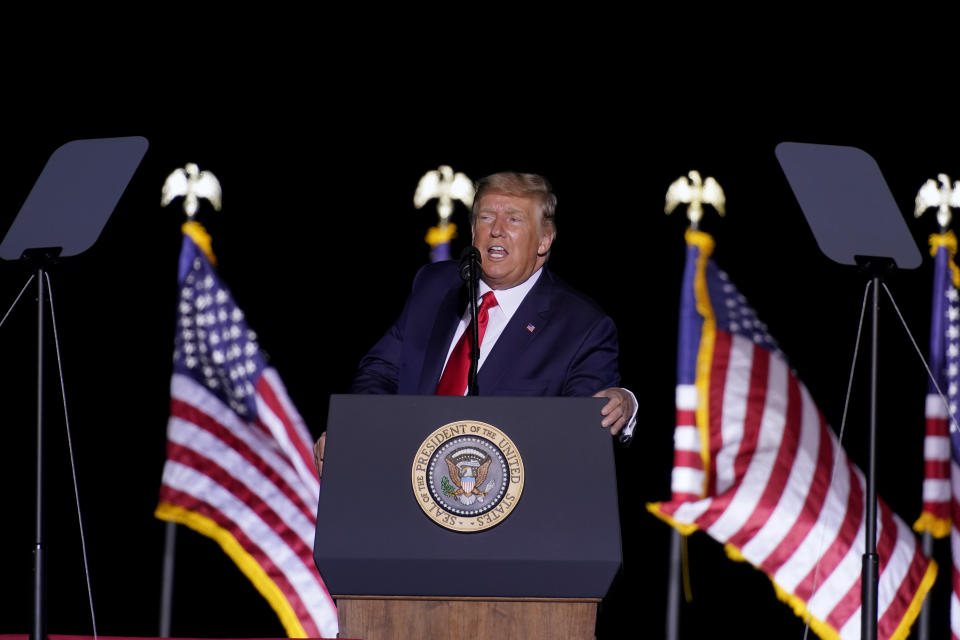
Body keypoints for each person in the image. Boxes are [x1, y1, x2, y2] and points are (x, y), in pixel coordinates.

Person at [314, 172, 635, 475]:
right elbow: (379, 372)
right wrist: (359, 435)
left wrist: (625, 402)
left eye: (513, 219)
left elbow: (578, 435)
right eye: (485, 218)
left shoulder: (582, 327)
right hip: (403, 484)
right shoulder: (434, 285)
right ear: (472, 231)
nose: (496, 229)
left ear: (544, 240)